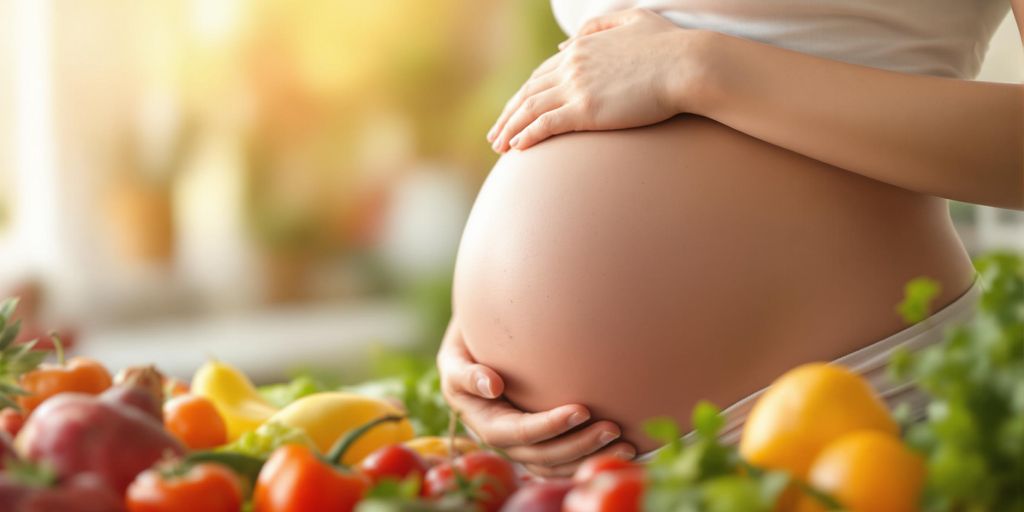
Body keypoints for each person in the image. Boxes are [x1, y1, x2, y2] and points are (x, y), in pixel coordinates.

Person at [439, 0, 1024, 477]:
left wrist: (697, 68)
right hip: (570, 462)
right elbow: (598, 72)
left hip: (845, 412)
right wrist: (478, 342)